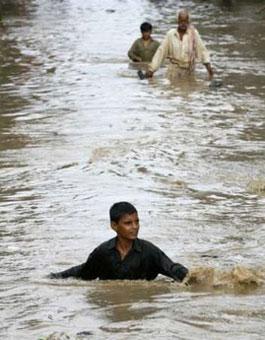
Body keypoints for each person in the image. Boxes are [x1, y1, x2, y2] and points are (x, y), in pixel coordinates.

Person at [49, 202, 188, 282]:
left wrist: (193, 276)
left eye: (137, 222)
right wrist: (55, 277)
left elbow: (172, 268)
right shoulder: (102, 252)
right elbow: (83, 272)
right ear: (114, 226)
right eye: (128, 223)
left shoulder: (149, 251)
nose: (134, 227)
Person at [146, 9, 214, 79]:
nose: (183, 23)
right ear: (178, 21)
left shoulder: (193, 34)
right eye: (181, 21)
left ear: (188, 22)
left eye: (185, 21)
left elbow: (202, 51)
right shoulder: (171, 34)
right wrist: (151, 70)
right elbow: (161, 52)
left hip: (189, 71)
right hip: (173, 71)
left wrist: (210, 71)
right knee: (174, 89)